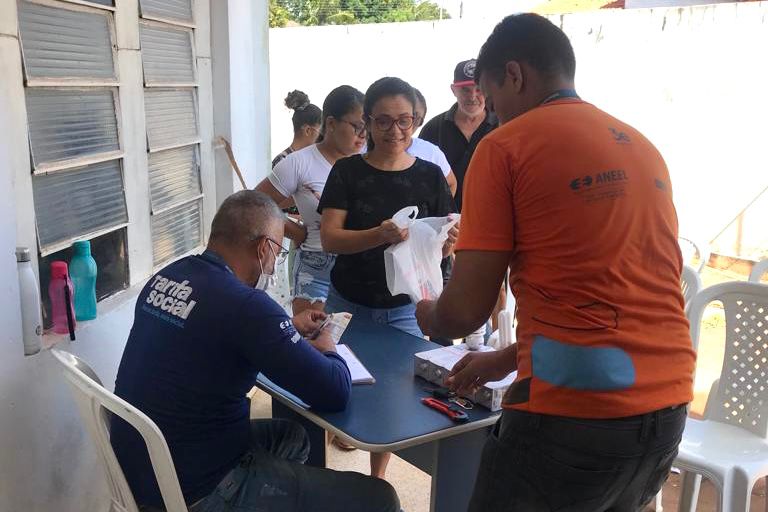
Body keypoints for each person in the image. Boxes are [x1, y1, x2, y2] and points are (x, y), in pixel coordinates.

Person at [416, 13, 695, 512]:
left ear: (514, 75)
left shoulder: (505, 147)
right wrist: (506, 358)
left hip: (573, 416)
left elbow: (463, 313)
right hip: (666, 407)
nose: (493, 115)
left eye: (492, 98)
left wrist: (430, 314)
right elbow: (607, 292)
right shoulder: (640, 145)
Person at [111, 190, 400, 512]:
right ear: (264, 248)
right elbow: (334, 391)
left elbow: (213, 336)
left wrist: (286, 328)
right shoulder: (247, 306)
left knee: (292, 437)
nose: (274, 264)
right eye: (278, 252)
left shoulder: (169, 276)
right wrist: (328, 347)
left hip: (143, 465)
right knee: (381, 498)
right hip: (198, 488)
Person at [319, 77, 457, 479]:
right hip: (348, 302)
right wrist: (377, 235)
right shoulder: (347, 171)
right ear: (367, 122)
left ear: (415, 120)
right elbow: (330, 239)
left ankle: (376, 478)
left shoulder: (430, 175)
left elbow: (437, 249)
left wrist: (448, 243)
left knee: (394, 397)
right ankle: (328, 473)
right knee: (335, 385)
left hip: (406, 308)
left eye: (404, 120)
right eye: (383, 121)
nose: (395, 130)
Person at [256, 86, 366, 315]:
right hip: (317, 267)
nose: (364, 135)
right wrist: (294, 231)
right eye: (357, 126)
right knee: (316, 334)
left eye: (369, 126)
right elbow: (253, 205)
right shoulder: (299, 163)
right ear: (331, 123)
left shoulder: (370, 163)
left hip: (363, 266)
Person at [419, 58, 498, 212]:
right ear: (453, 90)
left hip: (493, 215)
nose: (472, 96)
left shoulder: (503, 125)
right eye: (465, 90)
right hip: (445, 219)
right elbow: (420, 176)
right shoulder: (433, 128)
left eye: (478, 89)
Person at [407, 88, 458, 196]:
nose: (409, 124)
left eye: (416, 118)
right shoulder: (366, 151)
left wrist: (442, 205)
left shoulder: (431, 152)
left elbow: (451, 183)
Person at [272, 90, 322, 168]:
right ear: (308, 130)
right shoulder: (282, 161)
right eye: (320, 131)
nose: (322, 136)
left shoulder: (312, 160)